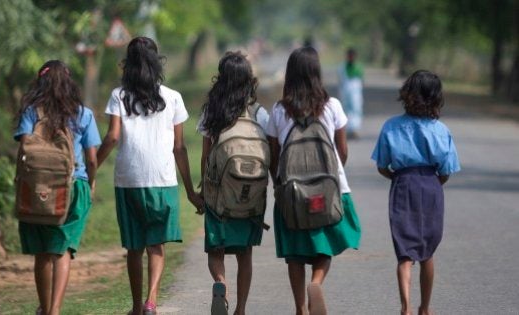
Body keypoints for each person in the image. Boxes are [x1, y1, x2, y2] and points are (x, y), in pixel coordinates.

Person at [95, 36, 203, 315]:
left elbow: (113, 136)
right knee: (156, 245)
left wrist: (91, 165)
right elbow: (179, 147)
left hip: (128, 180)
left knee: (134, 247)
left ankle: (134, 306)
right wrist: (190, 191)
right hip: (163, 180)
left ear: (128, 65)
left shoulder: (119, 96)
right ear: (157, 63)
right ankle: (151, 302)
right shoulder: (173, 97)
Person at [265, 46, 361, 315]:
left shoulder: (279, 111)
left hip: (291, 191)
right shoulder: (332, 106)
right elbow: (341, 151)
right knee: (325, 243)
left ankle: (300, 309)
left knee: (294, 253)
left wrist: (279, 184)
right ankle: (316, 283)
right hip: (328, 190)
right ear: (316, 73)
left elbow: (273, 156)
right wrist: (330, 178)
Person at [14, 60, 101, 315]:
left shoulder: (31, 112)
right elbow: (92, 158)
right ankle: (55, 310)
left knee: (42, 252)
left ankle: (44, 308)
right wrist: (91, 183)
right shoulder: (82, 114)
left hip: (37, 187)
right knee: (62, 251)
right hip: (74, 187)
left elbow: (23, 149)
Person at [371, 70, 460, 315]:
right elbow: (446, 171)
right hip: (431, 187)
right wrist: (431, 183)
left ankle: (405, 306)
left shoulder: (391, 126)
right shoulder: (441, 130)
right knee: (427, 252)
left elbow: (381, 166)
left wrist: (399, 178)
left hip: (402, 185)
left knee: (405, 253)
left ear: (407, 94)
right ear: (436, 98)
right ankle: (425, 307)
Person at [197, 51, 269, 315]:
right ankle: (241, 309)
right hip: (251, 195)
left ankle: (220, 284)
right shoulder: (259, 113)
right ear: (248, 79)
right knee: (245, 253)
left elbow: (206, 155)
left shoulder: (211, 111)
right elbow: (269, 153)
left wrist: (203, 189)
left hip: (220, 193)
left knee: (216, 249)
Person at [337, 48, 364, 139]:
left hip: (355, 92)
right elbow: (340, 80)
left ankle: (355, 129)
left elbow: (361, 80)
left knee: (356, 109)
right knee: (346, 110)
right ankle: (347, 129)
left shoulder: (358, 67)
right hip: (345, 91)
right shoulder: (342, 67)